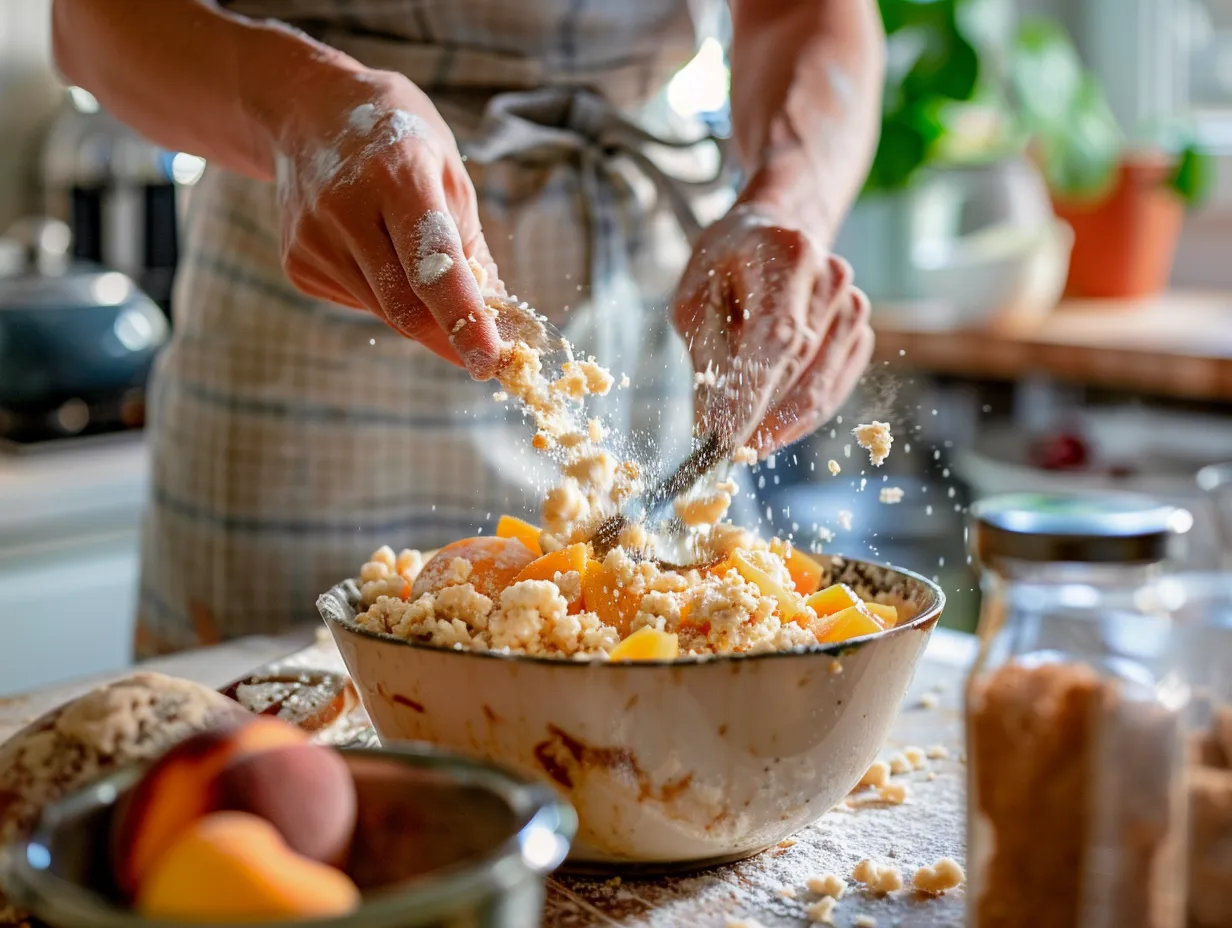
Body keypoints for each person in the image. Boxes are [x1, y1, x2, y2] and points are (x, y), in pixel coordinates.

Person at [51, 0, 883, 657]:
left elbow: (804, 12)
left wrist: (788, 203)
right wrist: (297, 106)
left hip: (642, 295)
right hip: (311, 285)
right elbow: (90, 22)